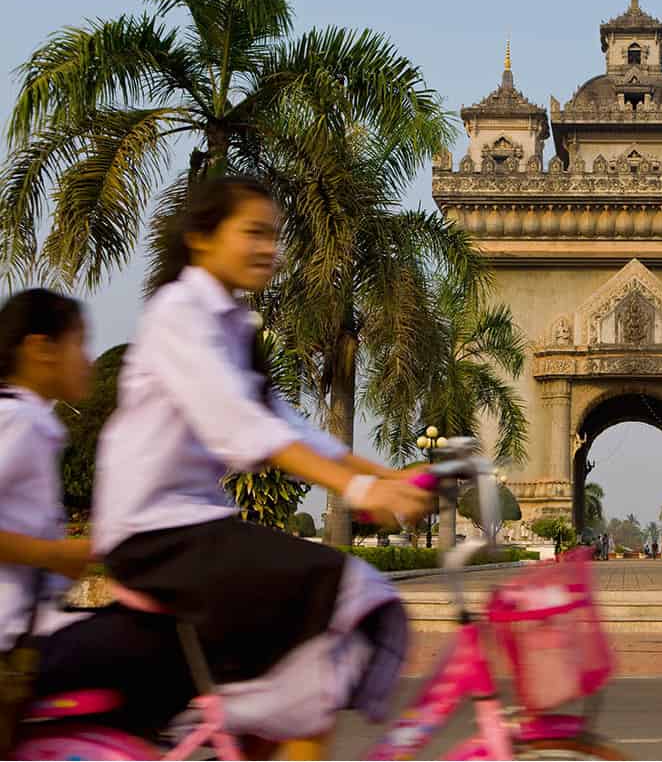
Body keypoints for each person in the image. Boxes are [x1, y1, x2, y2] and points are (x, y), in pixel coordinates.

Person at [90, 177, 433, 759]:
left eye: (273, 234)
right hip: (154, 532)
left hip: (192, 527)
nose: (269, 248)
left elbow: (291, 428)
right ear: (201, 237)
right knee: (344, 586)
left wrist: (388, 475)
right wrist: (358, 487)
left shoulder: (234, 327)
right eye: (252, 233)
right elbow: (240, 428)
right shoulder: (180, 314)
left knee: (318, 647)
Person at [0, 289, 195, 739]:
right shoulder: (19, 422)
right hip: (17, 647)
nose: (88, 360)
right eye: (78, 344)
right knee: (169, 643)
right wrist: (55, 554)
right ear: (39, 349)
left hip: (34, 633)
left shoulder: (29, 422)